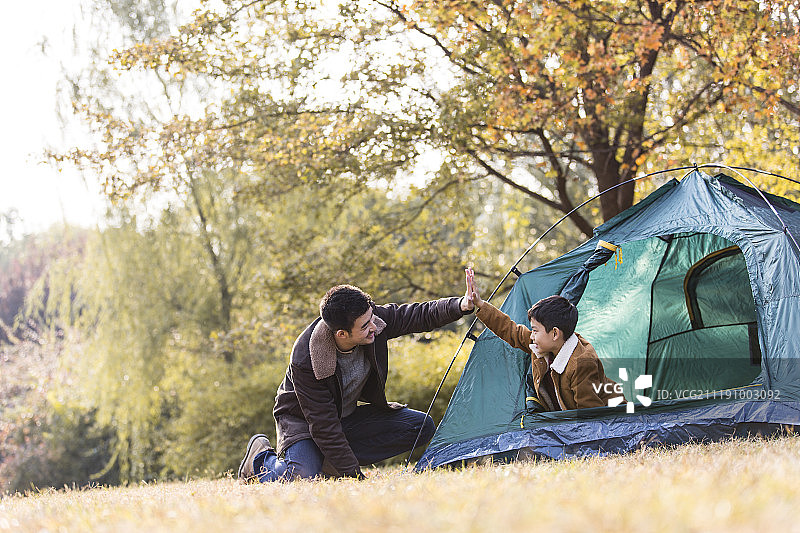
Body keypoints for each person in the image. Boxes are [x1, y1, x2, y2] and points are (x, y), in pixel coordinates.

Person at [237, 284, 475, 482]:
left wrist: (460, 305)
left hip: (345, 418)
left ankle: (331, 462)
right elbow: (323, 425)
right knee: (303, 476)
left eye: (372, 318)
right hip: (303, 424)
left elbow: (415, 315)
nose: (374, 327)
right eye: (364, 326)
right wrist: (353, 476)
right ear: (342, 334)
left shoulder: (371, 320)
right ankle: (260, 460)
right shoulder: (306, 359)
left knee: (420, 426)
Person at [464, 268, 622, 411]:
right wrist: (480, 304)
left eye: (535, 330)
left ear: (554, 334)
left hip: (615, 421)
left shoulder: (581, 363)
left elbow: (592, 417)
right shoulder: (542, 344)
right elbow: (511, 331)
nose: (531, 336)